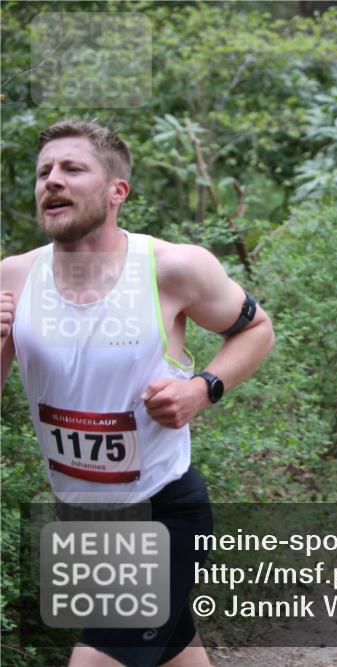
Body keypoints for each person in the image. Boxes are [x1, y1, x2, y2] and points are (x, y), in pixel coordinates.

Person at [0, 120, 275, 666]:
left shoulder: (171, 268)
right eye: (44, 172)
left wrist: (203, 388)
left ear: (116, 191)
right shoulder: (14, 278)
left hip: (161, 510)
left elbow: (256, 328)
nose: (52, 181)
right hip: (81, 517)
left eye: (72, 169)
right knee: (176, 653)